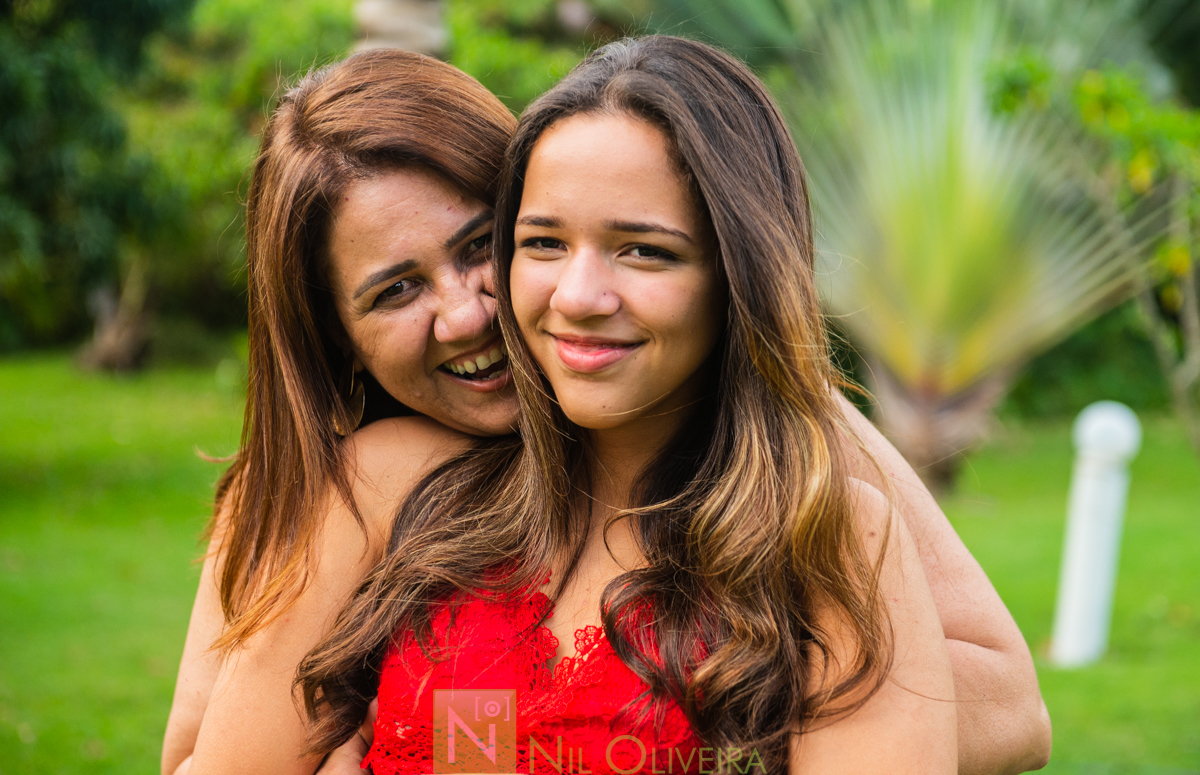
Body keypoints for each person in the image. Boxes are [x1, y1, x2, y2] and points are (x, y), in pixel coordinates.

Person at [164, 44, 1049, 775]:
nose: (472, 312)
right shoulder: (369, 482)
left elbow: (1001, 708)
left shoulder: (822, 519)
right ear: (339, 339)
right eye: (395, 290)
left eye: (483, 245)